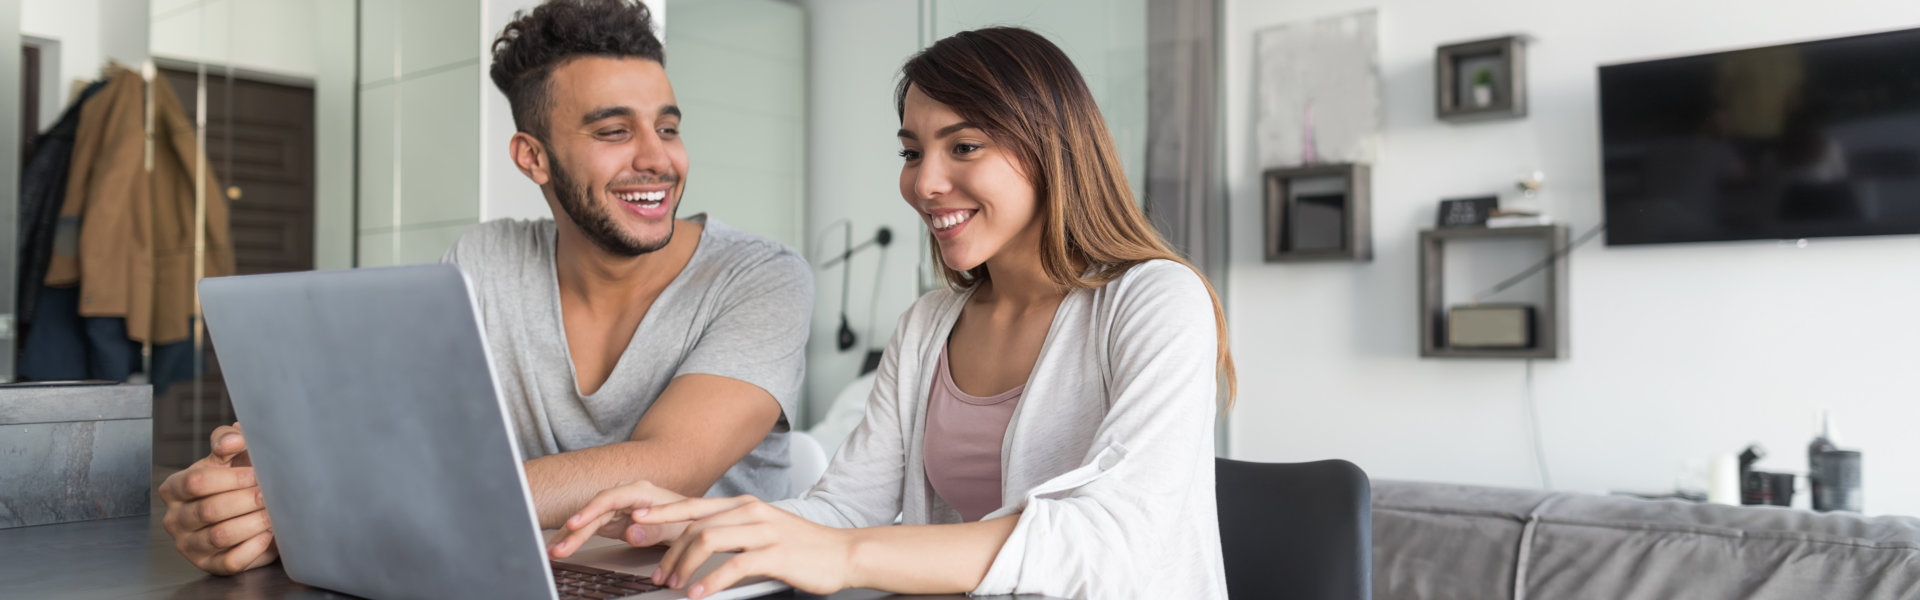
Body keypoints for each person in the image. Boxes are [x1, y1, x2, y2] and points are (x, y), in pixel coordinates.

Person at [551, 27, 1234, 600]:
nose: (925, 182)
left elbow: (1114, 537)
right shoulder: (930, 324)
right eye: (912, 152)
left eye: (964, 146)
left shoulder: (1155, 300)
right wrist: (690, 519)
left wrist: (847, 558)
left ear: (1051, 148)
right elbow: (845, 508)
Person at [156, 0, 812, 575]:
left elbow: (667, 464)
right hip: (525, 577)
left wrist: (338, 496)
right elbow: (388, 428)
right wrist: (261, 487)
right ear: (532, 157)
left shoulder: (760, 277)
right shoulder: (486, 260)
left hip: (705, 584)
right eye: (615, 131)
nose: (658, 158)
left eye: (667, 128)